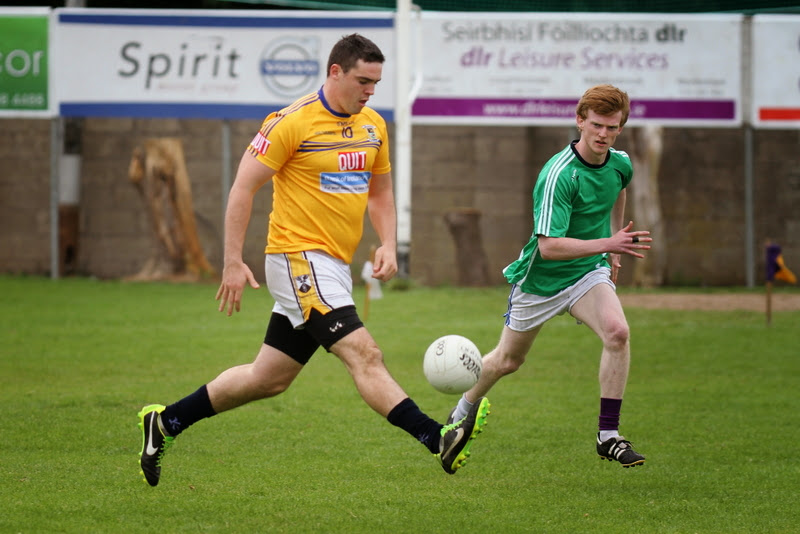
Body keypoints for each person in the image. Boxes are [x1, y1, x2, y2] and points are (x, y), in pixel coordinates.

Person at [137, 34, 490, 487]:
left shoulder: (373, 126)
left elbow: (380, 191)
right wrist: (230, 261)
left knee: (268, 378)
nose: (369, 91)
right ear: (335, 71)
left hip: (333, 267)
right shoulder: (291, 122)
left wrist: (387, 241)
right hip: (295, 257)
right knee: (365, 353)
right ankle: (437, 438)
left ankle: (164, 423)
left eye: (377, 83)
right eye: (363, 80)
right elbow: (243, 188)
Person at [448, 84, 649, 467]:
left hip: (587, 271)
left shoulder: (620, 163)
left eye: (612, 127)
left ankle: (608, 435)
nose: (604, 135)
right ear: (579, 121)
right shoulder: (559, 175)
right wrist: (609, 241)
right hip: (541, 281)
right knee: (507, 361)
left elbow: (618, 191)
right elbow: (549, 247)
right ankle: (461, 411)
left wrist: (610, 249)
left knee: (618, 332)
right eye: (596, 126)